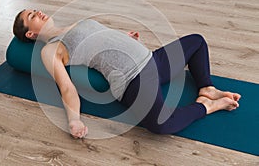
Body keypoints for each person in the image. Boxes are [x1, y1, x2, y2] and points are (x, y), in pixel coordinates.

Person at [13, 9, 241, 139]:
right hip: (133, 78)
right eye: (32, 15)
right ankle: (208, 105)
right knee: (162, 126)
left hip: (152, 59)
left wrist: (124, 36)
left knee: (197, 42)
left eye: (35, 9)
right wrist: (74, 120)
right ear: (31, 34)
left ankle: (207, 88)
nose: (38, 11)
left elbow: (101, 35)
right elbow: (66, 87)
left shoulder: (75, 23)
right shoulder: (50, 48)